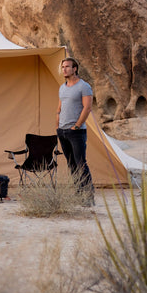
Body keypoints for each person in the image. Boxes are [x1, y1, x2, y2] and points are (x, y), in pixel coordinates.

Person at [56, 56, 94, 203]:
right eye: (63, 67)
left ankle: (88, 196)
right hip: (63, 131)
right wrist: (57, 125)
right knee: (71, 165)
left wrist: (77, 126)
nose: (64, 69)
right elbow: (59, 108)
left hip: (76, 132)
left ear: (75, 69)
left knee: (80, 164)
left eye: (67, 66)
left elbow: (88, 107)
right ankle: (79, 195)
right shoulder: (62, 87)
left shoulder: (84, 86)